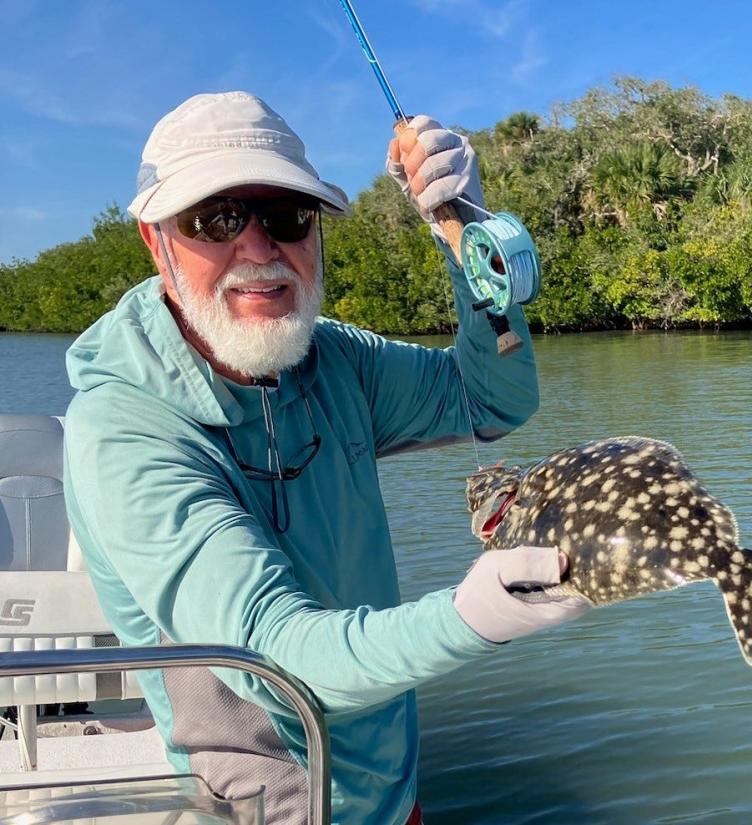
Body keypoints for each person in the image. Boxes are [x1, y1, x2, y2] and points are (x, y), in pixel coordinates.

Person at [63, 91, 590, 825]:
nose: (257, 248)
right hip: (263, 806)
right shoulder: (123, 430)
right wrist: (476, 613)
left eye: (286, 216)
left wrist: (471, 240)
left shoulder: (334, 358)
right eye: (216, 219)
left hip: (391, 785)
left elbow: (490, 400)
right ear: (156, 241)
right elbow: (277, 657)